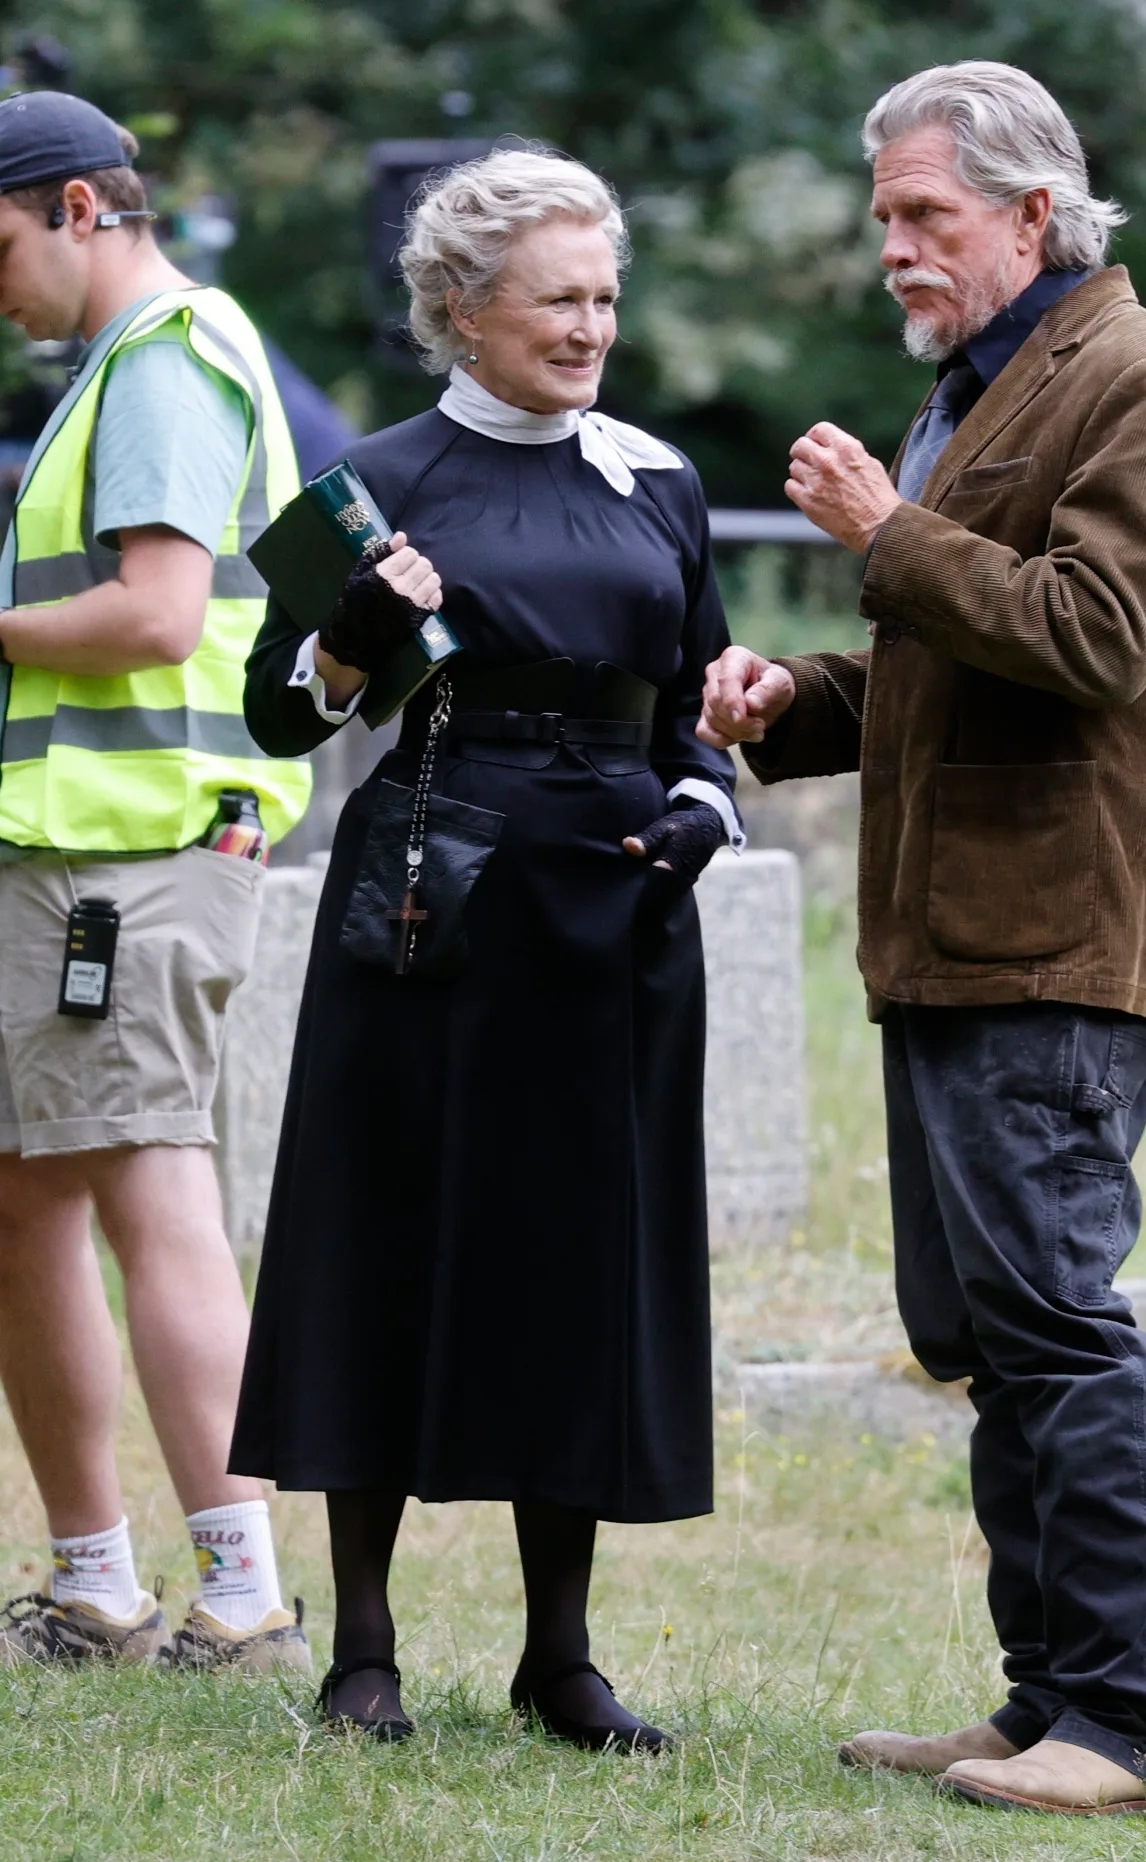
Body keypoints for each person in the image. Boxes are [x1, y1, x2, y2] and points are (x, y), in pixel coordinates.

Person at [700, 61, 1146, 1820]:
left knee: (1057, 1322)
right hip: (948, 938)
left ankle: (1137, 1725)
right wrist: (793, 701)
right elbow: (952, 660)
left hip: (1059, 937)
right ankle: (1047, 1702)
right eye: (885, 219)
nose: (894, 248)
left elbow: (1096, 637)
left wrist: (885, 530)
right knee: (989, 1330)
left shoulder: (1141, 378)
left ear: (1033, 211)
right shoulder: (978, 385)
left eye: (923, 213)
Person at [229, 145, 740, 1747]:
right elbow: (279, 713)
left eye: (606, 298)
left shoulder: (658, 480)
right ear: (463, 309)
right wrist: (350, 639)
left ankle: (559, 1659)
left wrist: (704, 807)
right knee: (385, 1237)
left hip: (615, 902)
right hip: (430, 903)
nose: (591, 329)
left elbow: (701, 701)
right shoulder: (378, 481)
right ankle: (362, 1650)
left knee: (576, 1257)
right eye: (557, 301)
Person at [0, 93, 312, 1670]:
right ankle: (98, 1585)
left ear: (76, 208)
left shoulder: (164, 361)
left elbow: (156, 614)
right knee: (33, 1195)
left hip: (129, 859)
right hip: (86, 854)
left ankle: (242, 1597)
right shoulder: (126, 365)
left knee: (149, 1189)